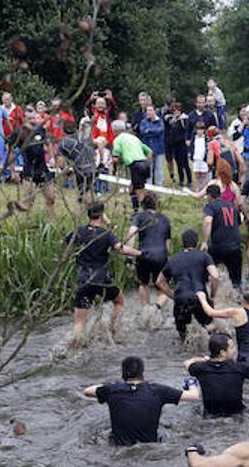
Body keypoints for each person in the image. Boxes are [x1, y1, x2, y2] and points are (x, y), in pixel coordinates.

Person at [84, 356, 199, 446]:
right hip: (150, 446)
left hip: (118, 446)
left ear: (123, 373)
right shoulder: (158, 390)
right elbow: (194, 397)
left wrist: (109, 385)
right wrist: (191, 383)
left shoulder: (111, 390)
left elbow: (88, 391)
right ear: (143, 373)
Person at [65, 202, 137, 341]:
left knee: (79, 322)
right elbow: (120, 248)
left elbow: (65, 245)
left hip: (83, 280)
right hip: (102, 279)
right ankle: (111, 330)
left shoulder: (78, 231)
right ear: (101, 215)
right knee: (119, 300)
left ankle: (75, 345)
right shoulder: (106, 234)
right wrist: (139, 253)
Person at [184, 333, 249, 417]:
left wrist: (204, 359)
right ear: (222, 353)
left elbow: (187, 363)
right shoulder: (239, 368)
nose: (235, 350)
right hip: (237, 415)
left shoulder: (201, 369)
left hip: (210, 416)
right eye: (232, 347)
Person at [157, 230, 220, 341]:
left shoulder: (174, 259)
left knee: (183, 336)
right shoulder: (204, 256)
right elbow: (215, 276)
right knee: (209, 331)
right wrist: (212, 295)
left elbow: (159, 282)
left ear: (183, 243)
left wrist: (173, 296)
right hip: (200, 297)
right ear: (197, 242)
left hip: (181, 298)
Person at [125, 195, 173, 309]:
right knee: (163, 287)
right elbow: (168, 243)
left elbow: (131, 233)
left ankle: (146, 311)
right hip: (161, 255)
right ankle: (156, 308)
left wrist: (129, 256)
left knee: (143, 284)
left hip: (144, 254)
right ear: (156, 205)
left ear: (143, 205)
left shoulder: (139, 217)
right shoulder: (165, 219)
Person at [201, 182, 244, 296]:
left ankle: (207, 297)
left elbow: (208, 221)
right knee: (237, 282)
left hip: (218, 247)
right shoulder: (232, 206)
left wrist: (204, 242)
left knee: (204, 272)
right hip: (235, 247)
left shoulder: (210, 206)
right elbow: (238, 223)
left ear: (210, 196)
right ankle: (242, 302)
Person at [16, 111, 56, 215]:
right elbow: (10, 149)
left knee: (51, 198)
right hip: (29, 170)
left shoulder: (41, 130)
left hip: (43, 169)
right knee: (30, 200)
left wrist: (52, 157)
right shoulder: (19, 133)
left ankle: (52, 223)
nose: (32, 121)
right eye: (29, 119)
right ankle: (27, 221)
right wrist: (12, 170)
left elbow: (48, 142)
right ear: (24, 119)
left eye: (34, 118)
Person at [111, 120, 152, 208]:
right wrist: (147, 163)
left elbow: (115, 158)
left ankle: (146, 212)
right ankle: (136, 210)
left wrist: (115, 168)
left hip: (135, 165)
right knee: (132, 189)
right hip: (144, 164)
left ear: (115, 131)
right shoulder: (134, 137)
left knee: (139, 192)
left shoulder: (118, 139)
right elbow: (149, 152)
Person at [138, 104, 166, 186]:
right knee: (149, 168)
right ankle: (149, 186)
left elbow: (160, 131)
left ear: (155, 111)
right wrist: (153, 132)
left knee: (159, 169)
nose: (149, 112)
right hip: (148, 149)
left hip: (159, 149)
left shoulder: (160, 121)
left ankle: (159, 186)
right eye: (147, 111)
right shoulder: (143, 122)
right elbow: (143, 132)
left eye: (151, 110)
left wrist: (149, 131)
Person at [164, 101, 190, 188]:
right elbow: (165, 118)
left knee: (185, 163)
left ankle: (189, 180)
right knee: (178, 163)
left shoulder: (184, 119)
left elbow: (187, 130)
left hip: (182, 144)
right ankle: (181, 180)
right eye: (174, 110)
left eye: (178, 110)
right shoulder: (172, 119)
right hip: (175, 145)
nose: (176, 112)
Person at [189, 121, 211, 191]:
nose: (200, 131)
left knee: (204, 175)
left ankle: (204, 190)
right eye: (198, 129)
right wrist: (191, 156)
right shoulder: (194, 138)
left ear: (204, 130)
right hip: (196, 159)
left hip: (203, 159)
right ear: (196, 130)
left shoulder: (206, 138)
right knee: (197, 175)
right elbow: (192, 147)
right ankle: (198, 189)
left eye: (201, 129)